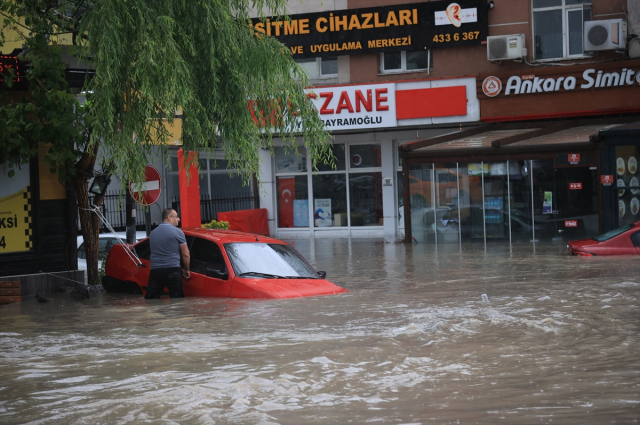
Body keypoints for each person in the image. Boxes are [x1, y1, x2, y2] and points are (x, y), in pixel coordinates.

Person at [144, 208, 190, 299]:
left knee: (152, 299)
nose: (178, 219)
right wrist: (186, 270)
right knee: (177, 301)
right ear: (169, 217)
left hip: (156, 270)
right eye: (176, 216)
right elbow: (185, 254)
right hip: (173, 270)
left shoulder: (153, 233)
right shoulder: (178, 232)